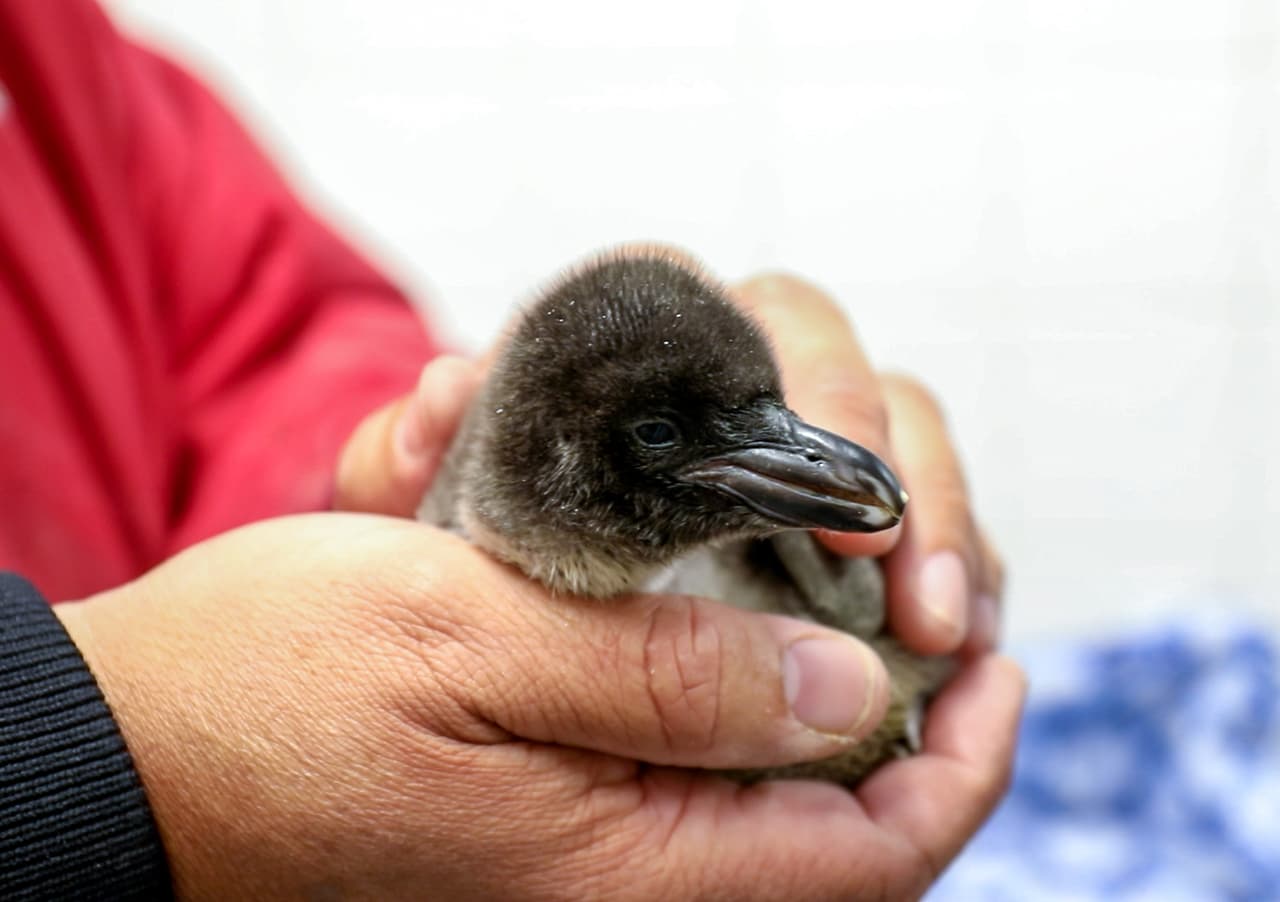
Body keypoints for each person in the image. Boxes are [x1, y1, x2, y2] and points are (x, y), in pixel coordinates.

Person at [0, 1, 1025, 898]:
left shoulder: (56, 51)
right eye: (659, 434)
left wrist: (362, 476)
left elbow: (263, 344)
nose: (812, 464)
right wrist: (104, 767)